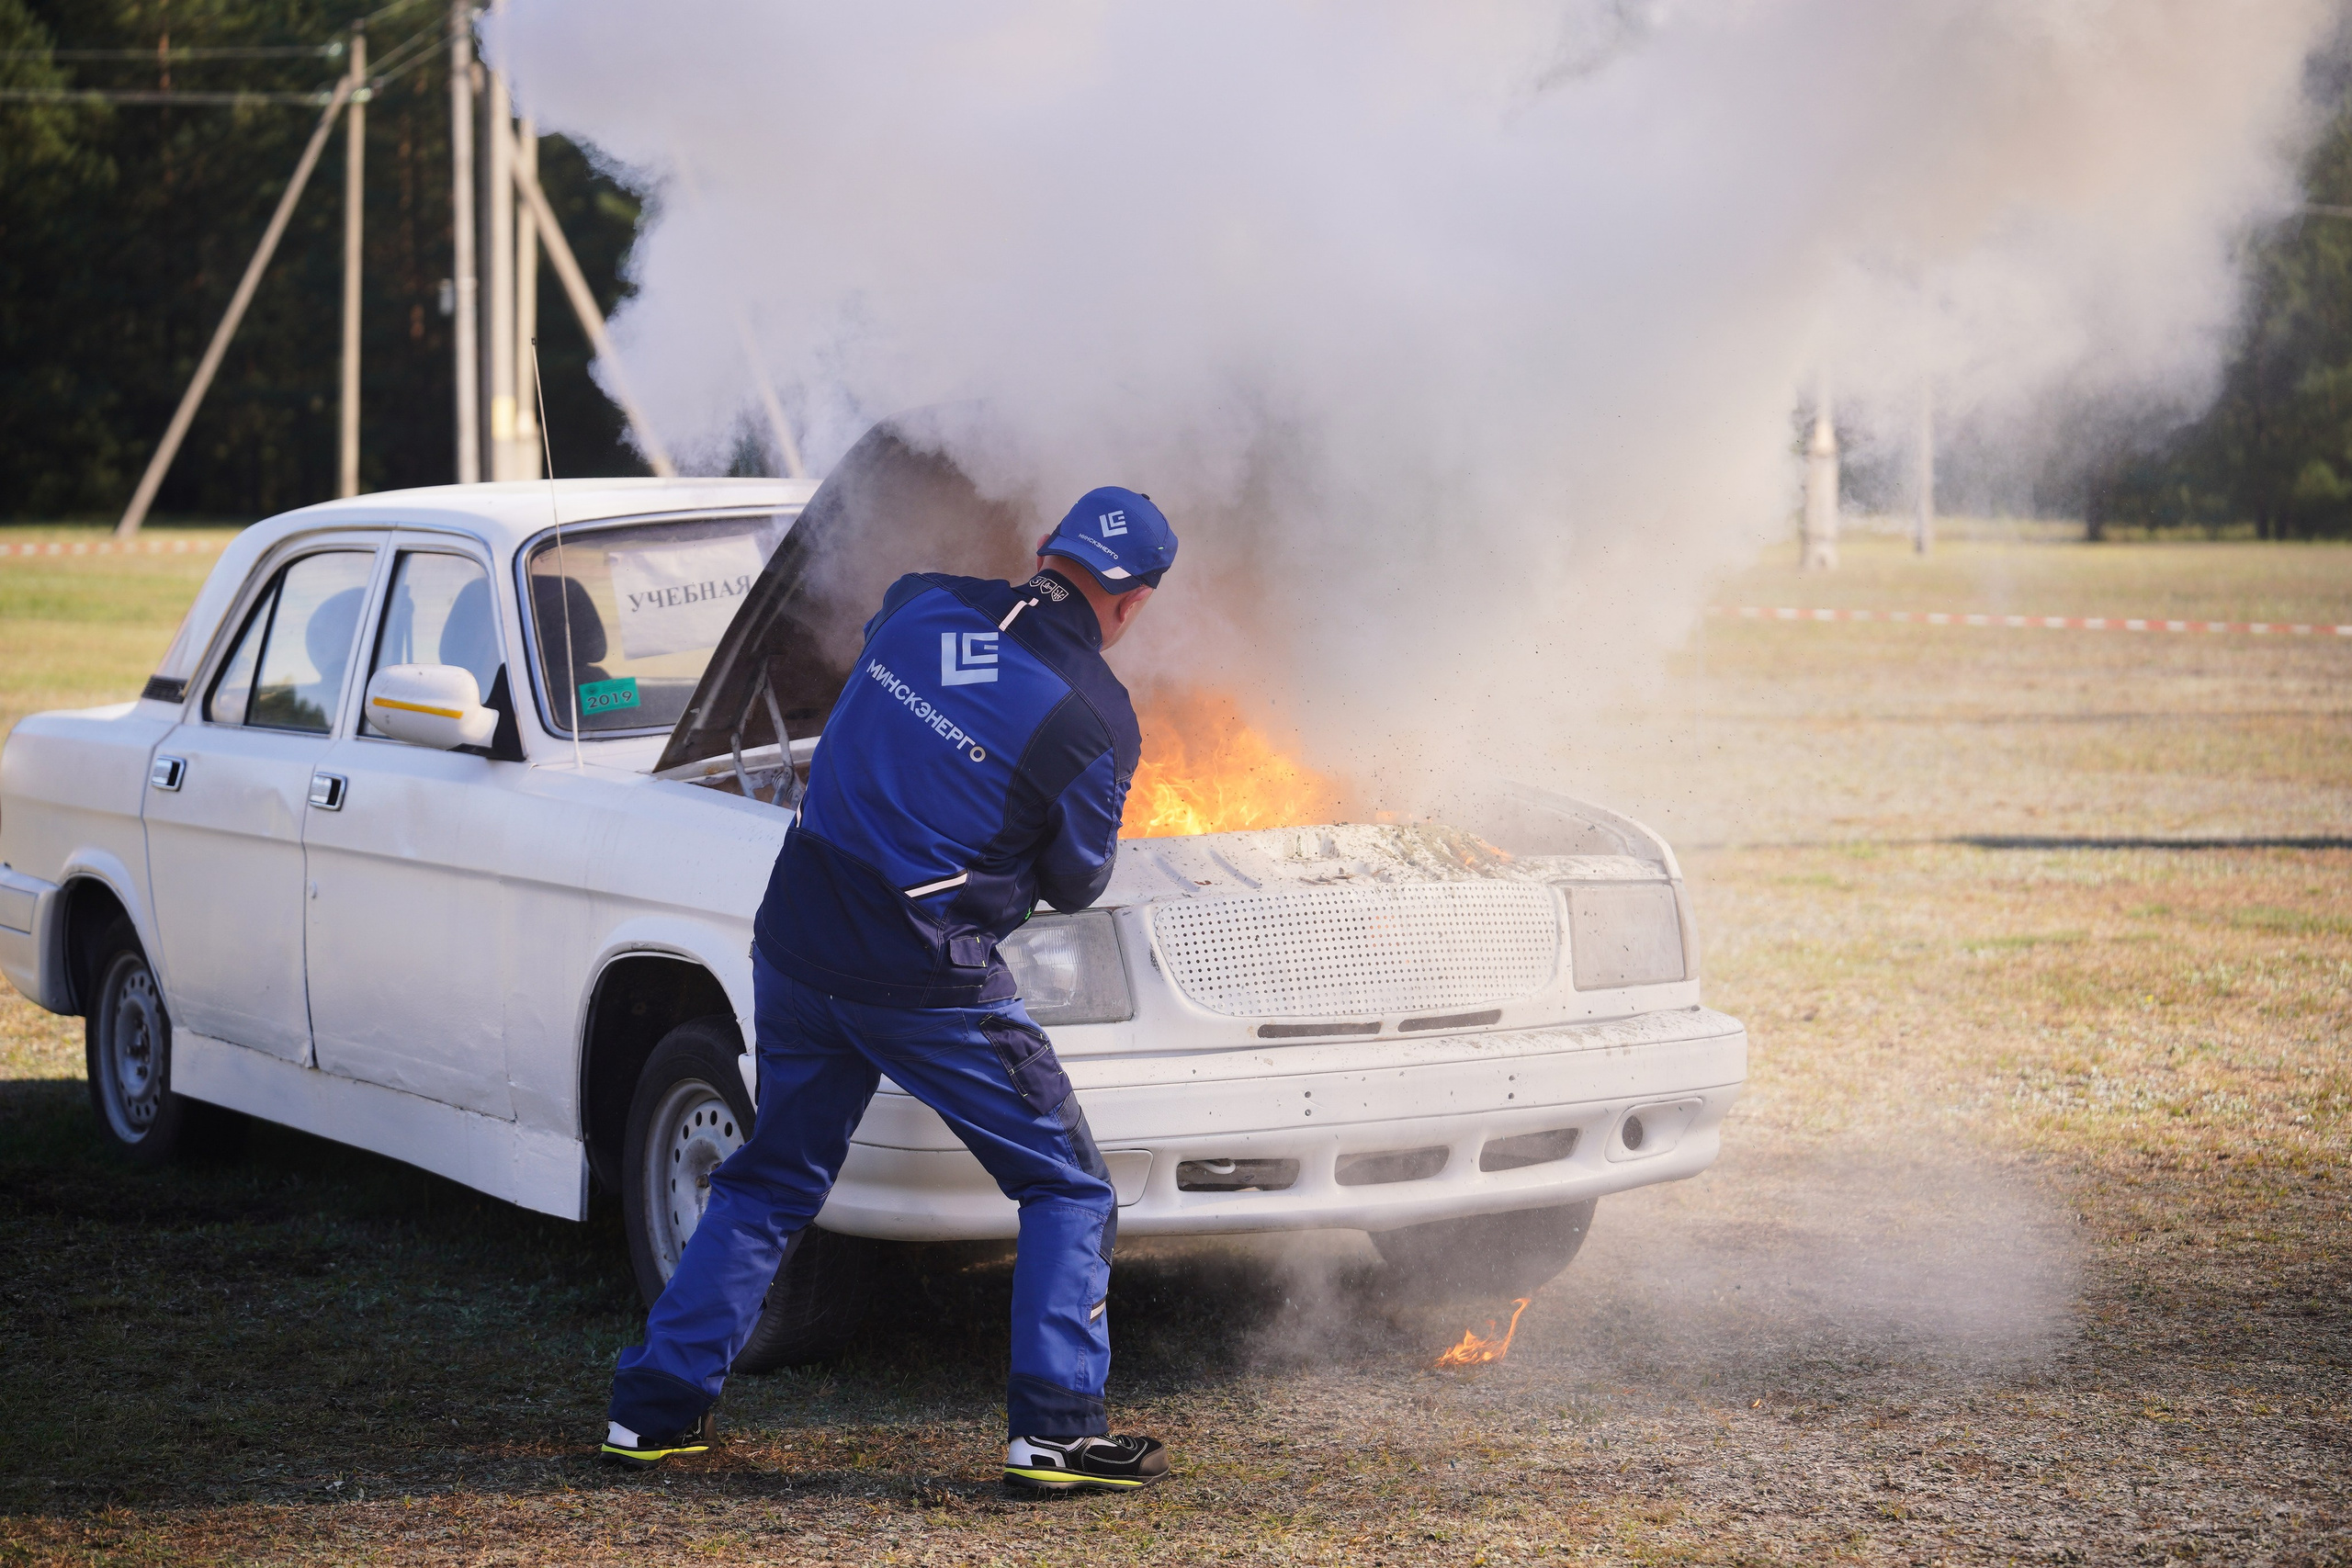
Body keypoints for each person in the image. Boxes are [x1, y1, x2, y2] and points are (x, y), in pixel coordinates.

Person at [599, 485, 1178, 1495]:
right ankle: (1052, 1433)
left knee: (770, 1181)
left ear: (1047, 550)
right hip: (922, 972)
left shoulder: (923, 600)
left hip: (796, 938)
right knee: (1065, 1185)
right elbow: (1079, 880)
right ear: (1134, 604)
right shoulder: (1094, 719)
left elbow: (894, 680)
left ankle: (648, 1415)